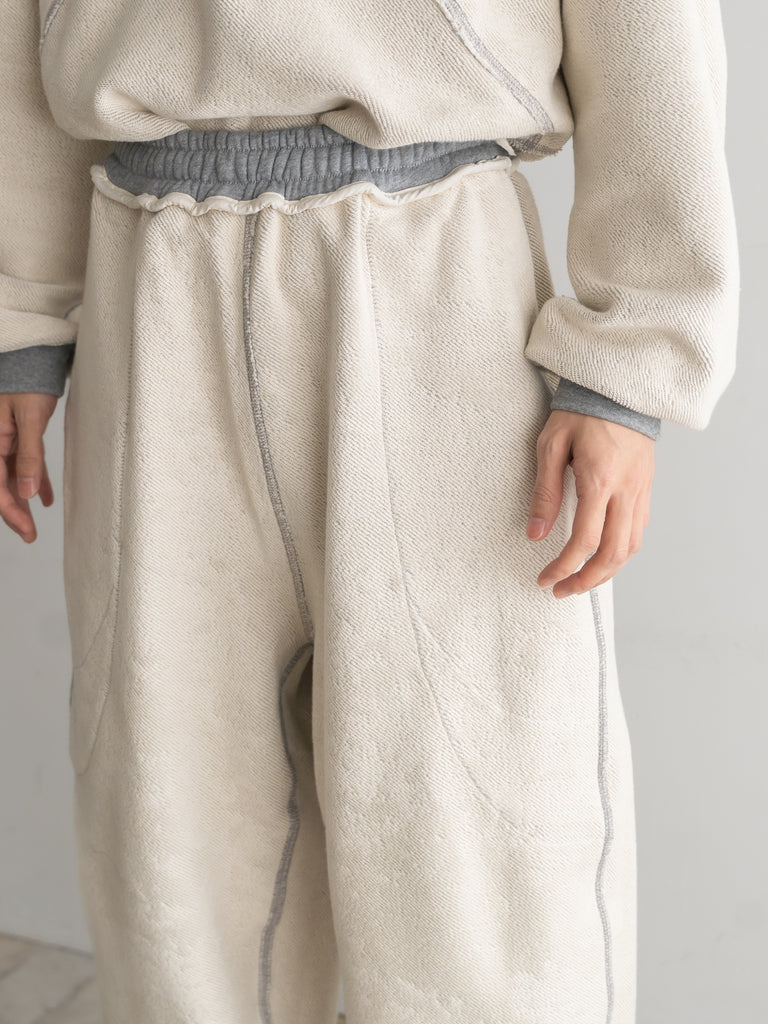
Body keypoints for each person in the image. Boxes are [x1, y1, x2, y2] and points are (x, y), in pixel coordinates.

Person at [0, 2, 738, 1022]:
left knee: (480, 855)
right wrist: (24, 312)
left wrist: (637, 352)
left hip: (434, 285)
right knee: (169, 839)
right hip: (148, 291)